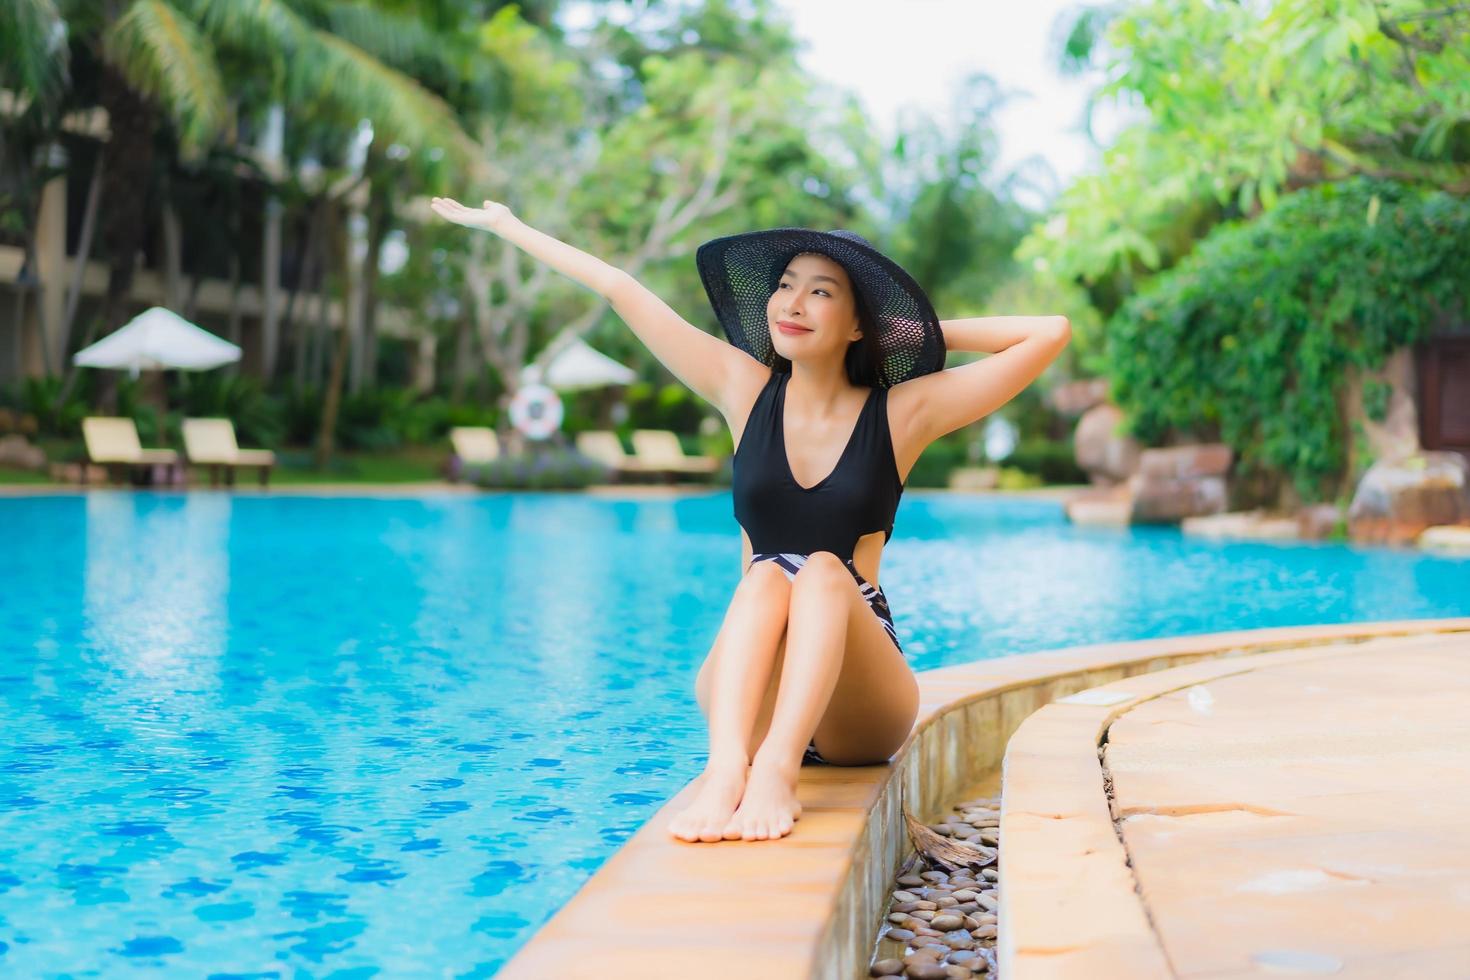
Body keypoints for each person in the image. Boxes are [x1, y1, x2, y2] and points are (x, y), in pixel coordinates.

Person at [430, 197, 1071, 843]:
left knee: (822, 571)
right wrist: (511, 227)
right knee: (766, 576)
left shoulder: (904, 413)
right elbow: (623, 290)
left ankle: (777, 774)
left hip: (859, 702)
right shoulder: (743, 387)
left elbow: (1049, 332)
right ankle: (728, 770)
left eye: (820, 292)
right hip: (751, 689)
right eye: (785, 287)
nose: (792, 303)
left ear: (856, 323)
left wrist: (906, 329)